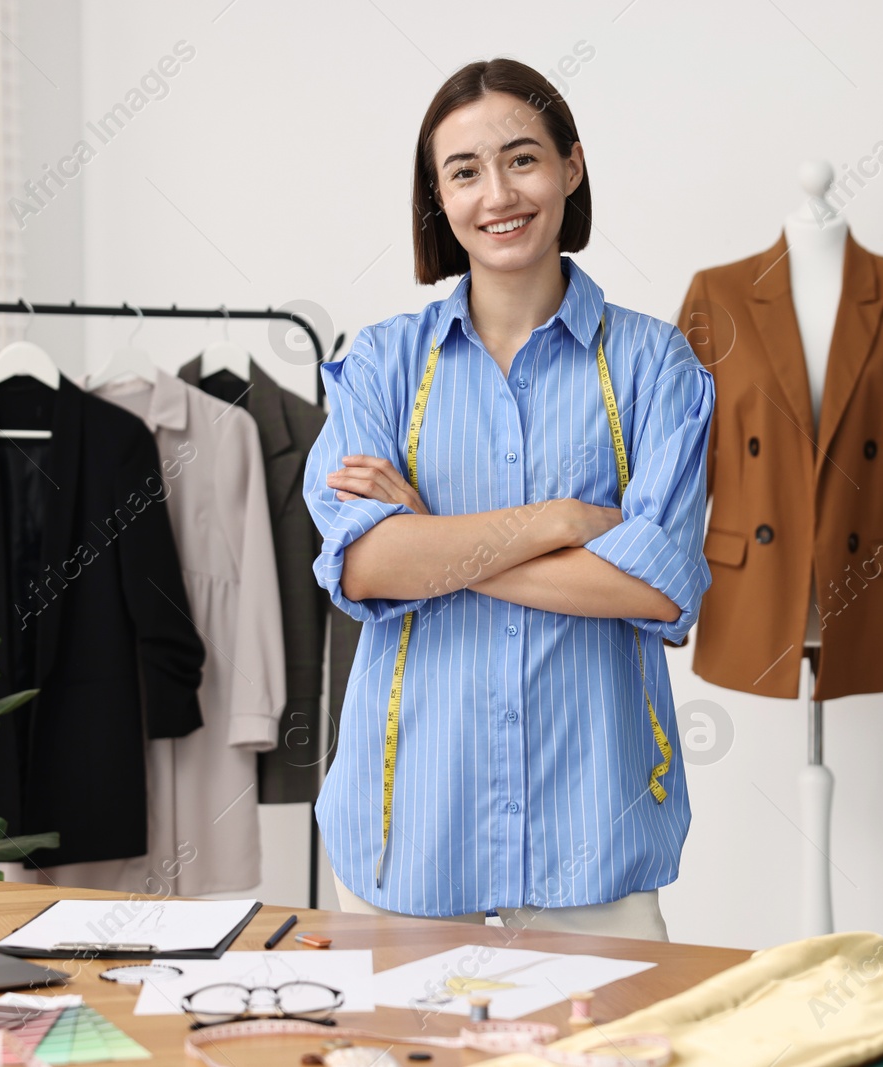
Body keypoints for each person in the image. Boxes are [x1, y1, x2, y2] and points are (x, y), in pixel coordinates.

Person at [302, 57, 714, 940]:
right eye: (464, 171)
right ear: (438, 200)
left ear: (570, 166)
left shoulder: (653, 367)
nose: (498, 193)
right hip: (405, 845)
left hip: (595, 851)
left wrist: (431, 547)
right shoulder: (378, 367)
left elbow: (656, 588)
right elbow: (365, 564)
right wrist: (561, 524)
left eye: (522, 158)